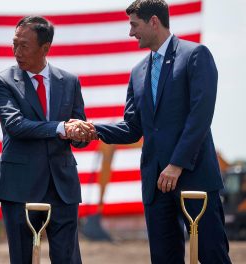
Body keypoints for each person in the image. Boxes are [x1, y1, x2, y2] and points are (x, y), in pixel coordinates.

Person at [67, 0, 232, 263]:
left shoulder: (196, 55)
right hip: (156, 184)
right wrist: (92, 130)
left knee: (212, 255)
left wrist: (176, 164)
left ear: (154, 21)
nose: (131, 32)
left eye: (135, 25)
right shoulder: (138, 72)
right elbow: (133, 128)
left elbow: (200, 116)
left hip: (195, 177)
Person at [0, 15, 92, 264]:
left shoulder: (69, 81)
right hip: (19, 187)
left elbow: (78, 130)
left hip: (62, 187)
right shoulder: (2, 81)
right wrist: (61, 128)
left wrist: (81, 134)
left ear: (45, 48)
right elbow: (15, 126)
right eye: (14, 43)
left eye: (23, 45)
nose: (16, 51)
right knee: (22, 258)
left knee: (68, 259)